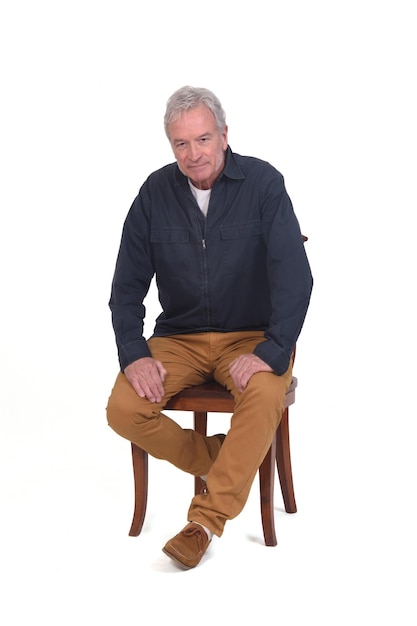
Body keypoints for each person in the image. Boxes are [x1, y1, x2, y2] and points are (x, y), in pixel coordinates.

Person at [106, 86, 313, 569]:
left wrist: (272, 349)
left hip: (251, 338)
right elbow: (126, 284)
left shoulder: (263, 183)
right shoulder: (154, 193)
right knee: (122, 409)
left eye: (202, 139)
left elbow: (295, 275)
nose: (193, 154)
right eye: (180, 144)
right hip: (178, 338)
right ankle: (226, 459)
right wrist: (134, 353)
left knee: (262, 396)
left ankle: (204, 522)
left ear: (224, 135)